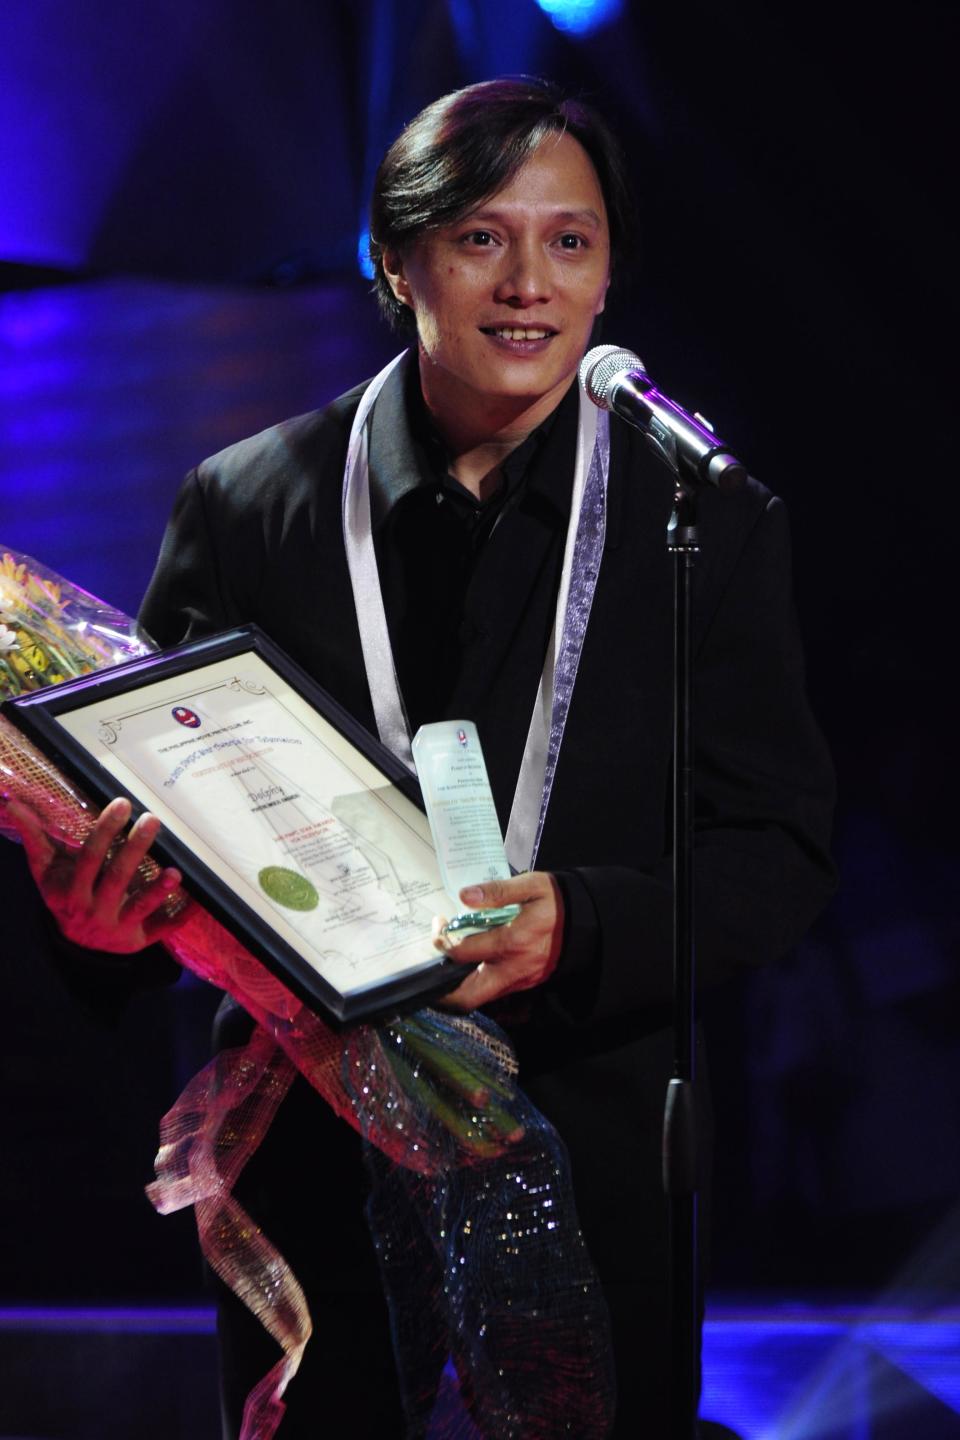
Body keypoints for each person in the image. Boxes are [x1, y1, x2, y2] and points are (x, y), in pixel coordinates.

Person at [11, 79, 835, 1436]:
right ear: (391, 263)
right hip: (310, 1124)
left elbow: (783, 855)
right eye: (477, 239)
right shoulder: (251, 502)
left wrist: (584, 922)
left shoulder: (702, 521)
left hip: (591, 1122)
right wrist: (92, 916)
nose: (528, 284)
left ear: (612, 266)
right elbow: (147, 804)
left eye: (569, 241)